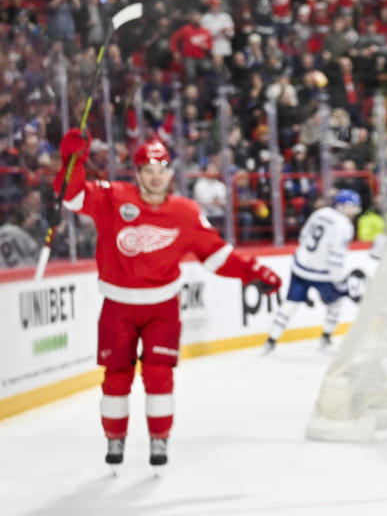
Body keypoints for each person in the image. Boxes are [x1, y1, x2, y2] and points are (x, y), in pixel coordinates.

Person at [54, 131, 281, 469]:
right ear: (138, 173)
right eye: (148, 169)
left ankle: (159, 439)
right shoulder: (113, 198)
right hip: (118, 306)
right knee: (116, 376)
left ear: (171, 174)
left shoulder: (185, 213)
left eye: (162, 170)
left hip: (162, 308)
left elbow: (216, 255)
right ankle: (114, 439)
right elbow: (70, 197)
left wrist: (252, 271)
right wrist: (74, 161)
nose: (155, 176)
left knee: (159, 376)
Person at [263, 189, 362, 352]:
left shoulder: (321, 212)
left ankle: (271, 340)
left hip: (300, 265)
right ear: (343, 206)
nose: (354, 211)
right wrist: (339, 282)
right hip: (322, 274)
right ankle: (326, 337)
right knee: (335, 302)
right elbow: (335, 259)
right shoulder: (344, 226)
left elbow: (303, 236)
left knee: (290, 303)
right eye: (353, 207)